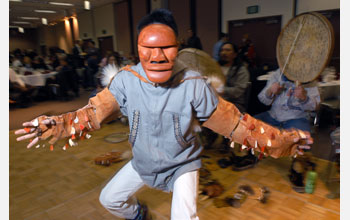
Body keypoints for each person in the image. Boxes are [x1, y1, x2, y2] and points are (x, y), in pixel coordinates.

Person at [15, 9, 312, 220]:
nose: (157, 56)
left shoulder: (194, 84)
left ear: (177, 48)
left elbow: (236, 125)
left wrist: (282, 141)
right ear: (138, 48)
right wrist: (57, 124)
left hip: (183, 163)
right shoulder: (126, 80)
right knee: (109, 199)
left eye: (166, 47)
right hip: (143, 162)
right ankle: (139, 215)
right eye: (148, 48)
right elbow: (91, 114)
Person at [254, 69, 320, 192]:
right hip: (273, 116)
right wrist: (270, 91)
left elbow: (315, 106)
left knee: (303, 140)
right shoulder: (277, 74)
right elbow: (263, 99)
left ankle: (297, 169)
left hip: (296, 118)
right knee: (248, 126)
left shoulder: (310, 78)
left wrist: (304, 98)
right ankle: (249, 155)